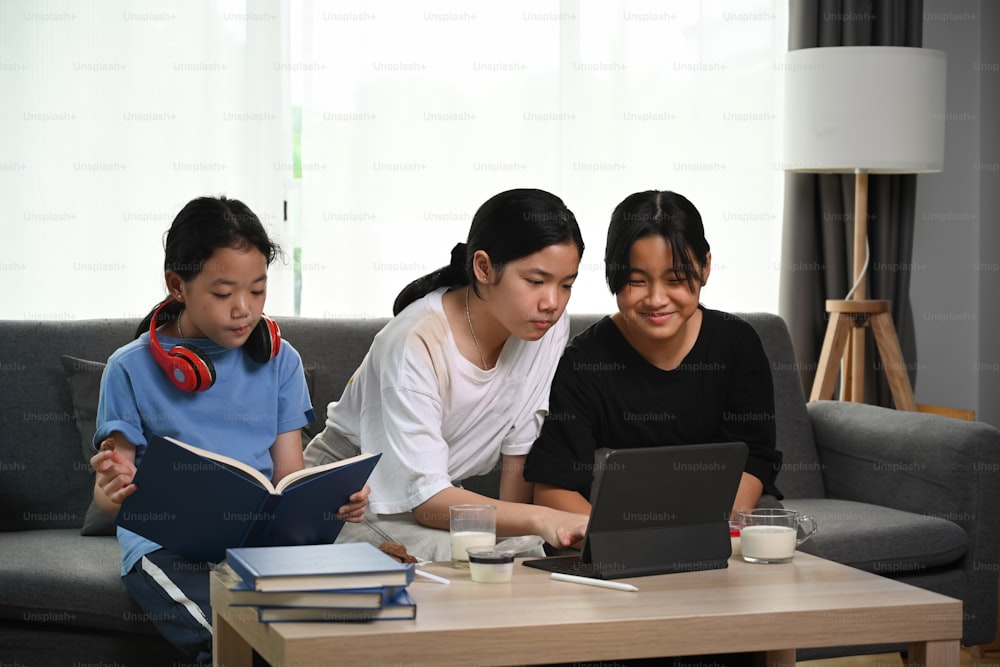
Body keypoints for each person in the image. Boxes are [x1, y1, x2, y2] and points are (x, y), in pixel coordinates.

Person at [89, 196, 370, 664]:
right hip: (166, 549)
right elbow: (108, 498)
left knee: (335, 631)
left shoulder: (282, 361)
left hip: (258, 547)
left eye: (257, 291)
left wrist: (332, 503)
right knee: (236, 637)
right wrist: (110, 487)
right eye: (223, 294)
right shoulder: (128, 368)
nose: (244, 309)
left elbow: (288, 478)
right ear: (177, 285)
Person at [304, 188, 591, 561]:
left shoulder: (546, 329)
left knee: (524, 560)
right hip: (346, 504)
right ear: (484, 267)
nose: (552, 302)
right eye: (536, 282)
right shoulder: (415, 341)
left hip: (426, 502)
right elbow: (425, 502)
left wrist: (526, 541)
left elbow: (520, 450)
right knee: (469, 560)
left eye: (566, 284)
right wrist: (543, 519)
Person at [524, 189, 783, 519]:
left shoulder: (736, 345)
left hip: (722, 521)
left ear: (705, 267)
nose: (657, 299)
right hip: (611, 530)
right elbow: (553, 488)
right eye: (637, 280)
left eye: (675, 279)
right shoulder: (583, 363)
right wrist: (616, 541)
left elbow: (754, 459)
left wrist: (702, 530)